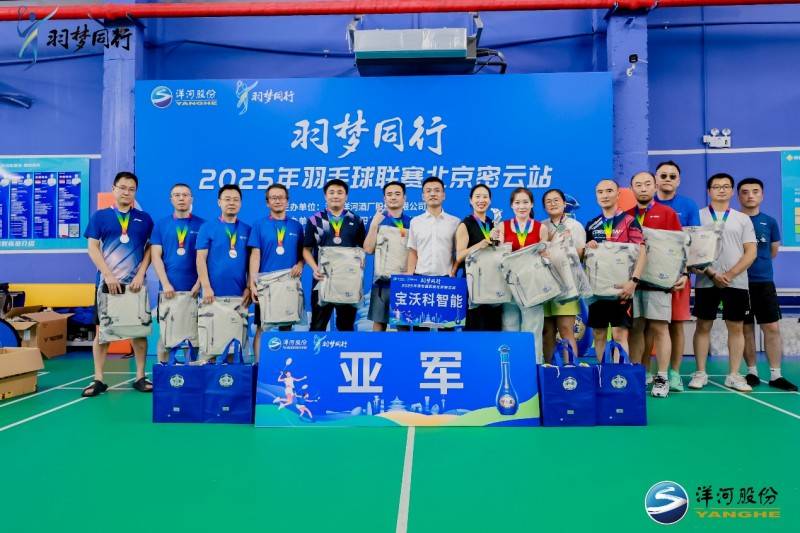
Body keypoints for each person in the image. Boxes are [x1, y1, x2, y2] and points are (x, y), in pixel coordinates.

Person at [82, 171, 154, 397]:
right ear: (114, 189)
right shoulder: (100, 217)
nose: (126, 192)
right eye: (122, 187)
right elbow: (92, 247)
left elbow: (151, 248)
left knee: (139, 332)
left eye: (131, 189)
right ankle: (98, 379)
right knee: (103, 332)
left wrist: (141, 273)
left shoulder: (144, 219)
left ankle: (140, 376)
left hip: (135, 285)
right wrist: (108, 275)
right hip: (107, 285)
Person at [689, 173, 757, 392]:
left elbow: (751, 252)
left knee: (736, 327)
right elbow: (692, 250)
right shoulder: (698, 216)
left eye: (726, 186)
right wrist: (711, 273)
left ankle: (734, 375)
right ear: (709, 191)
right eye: (716, 186)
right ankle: (700, 373)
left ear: (732, 191)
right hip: (705, 281)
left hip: (736, 282)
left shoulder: (742, 219)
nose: (721, 190)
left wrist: (729, 274)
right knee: (703, 325)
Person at [626, 172, 684, 398]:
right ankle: (638, 374)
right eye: (638, 184)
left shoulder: (667, 213)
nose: (643, 188)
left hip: (660, 281)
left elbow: (680, 246)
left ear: (655, 186)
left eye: (647, 184)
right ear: (632, 188)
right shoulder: (626, 216)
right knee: (636, 328)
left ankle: (662, 377)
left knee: (660, 328)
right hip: (633, 283)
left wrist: (683, 273)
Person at [737, 178, 797, 391]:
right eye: (745, 192)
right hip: (739, 283)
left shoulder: (770, 222)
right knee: (745, 328)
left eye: (755, 191)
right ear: (739, 196)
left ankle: (776, 375)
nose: (750, 195)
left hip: (763, 283)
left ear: (762, 195)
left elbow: (773, 251)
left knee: (771, 327)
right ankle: (751, 372)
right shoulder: (733, 221)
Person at [584, 179, 646, 361]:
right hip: (598, 290)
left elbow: (642, 253)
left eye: (609, 191)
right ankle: (603, 373)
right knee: (599, 334)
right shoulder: (592, 224)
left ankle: (620, 374)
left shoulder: (629, 221)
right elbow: (585, 257)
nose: (605, 195)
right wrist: (588, 246)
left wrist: (633, 282)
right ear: (596, 196)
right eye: (600, 192)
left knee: (620, 334)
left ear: (618, 194)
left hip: (622, 289)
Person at [654, 160, 701, 391]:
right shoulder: (646, 205)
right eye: (663, 175)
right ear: (656, 179)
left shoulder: (688, 205)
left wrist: (686, 272)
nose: (667, 179)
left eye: (672, 176)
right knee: (649, 325)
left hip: (678, 277)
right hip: (650, 276)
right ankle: (649, 371)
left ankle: (674, 373)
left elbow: (694, 242)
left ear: (679, 181)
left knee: (676, 325)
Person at [491, 187, 549, 361]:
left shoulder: (541, 228)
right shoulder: (502, 226)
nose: (521, 206)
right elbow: (498, 256)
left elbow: (545, 257)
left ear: (532, 204)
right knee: (509, 328)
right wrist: (494, 240)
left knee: (533, 330)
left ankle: (533, 367)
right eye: (517, 203)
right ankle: (512, 366)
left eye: (525, 202)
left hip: (533, 286)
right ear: (511, 205)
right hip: (509, 285)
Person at [248, 183, 304, 361]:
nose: (277, 201)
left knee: (286, 326)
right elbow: (255, 255)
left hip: (288, 283)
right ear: (267, 202)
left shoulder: (296, 226)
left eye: (281, 197)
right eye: (273, 198)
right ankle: (259, 365)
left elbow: (303, 254)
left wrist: (300, 264)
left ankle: (283, 365)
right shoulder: (259, 225)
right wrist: (253, 283)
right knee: (262, 327)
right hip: (266, 285)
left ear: (287, 201)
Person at [196, 184, 252, 359]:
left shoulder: (247, 230)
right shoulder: (207, 227)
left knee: (234, 349)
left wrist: (249, 287)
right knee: (211, 347)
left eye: (236, 200)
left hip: (238, 297)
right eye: (227, 199)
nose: (231, 203)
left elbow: (251, 263)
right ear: (219, 202)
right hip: (212, 296)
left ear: (241, 203)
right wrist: (206, 287)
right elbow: (200, 259)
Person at [150, 183, 204, 362]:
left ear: (192, 199)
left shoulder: (202, 225)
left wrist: (199, 284)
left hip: (194, 291)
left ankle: (192, 372)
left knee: (194, 337)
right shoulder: (161, 225)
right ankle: (163, 370)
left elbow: (206, 258)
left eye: (185, 195)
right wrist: (165, 283)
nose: (181, 198)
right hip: (168, 291)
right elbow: (156, 256)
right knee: (166, 336)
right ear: (171, 199)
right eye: (177, 195)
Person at [303, 179, 366, 331]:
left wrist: (361, 260)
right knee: (317, 325)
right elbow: (306, 249)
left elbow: (362, 248)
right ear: (325, 196)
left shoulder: (356, 220)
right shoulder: (315, 220)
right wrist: (315, 268)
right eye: (331, 192)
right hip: (322, 279)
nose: (335, 196)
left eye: (340, 192)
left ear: (346, 196)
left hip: (347, 280)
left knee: (346, 326)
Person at [406, 176, 461, 331]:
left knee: (446, 330)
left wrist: (453, 271)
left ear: (443, 195)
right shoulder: (415, 222)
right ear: (423, 196)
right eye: (428, 191)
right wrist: (410, 276)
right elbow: (413, 250)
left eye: (437, 190)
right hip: (421, 280)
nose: (432, 194)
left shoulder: (455, 222)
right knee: (420, 330)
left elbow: (458, 252)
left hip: (446, 281)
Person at [541, 188, 586, 360]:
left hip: (567, 285)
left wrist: (566, 244)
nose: (552, 204)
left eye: (556, 200)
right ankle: (549, 367)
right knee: (547, 330)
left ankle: (570, 368)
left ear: (564, 203)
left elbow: (581, 254)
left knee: (566, 329)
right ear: (544, 207)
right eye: (548, 201)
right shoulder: (542, 226)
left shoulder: (575, 226)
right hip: (546, 285)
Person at [363, 181, 411, 331]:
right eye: (389, 194)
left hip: (404, 281)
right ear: (384, 198)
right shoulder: (377, 220)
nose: (393, 197)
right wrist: (374, 225)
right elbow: (368, 249)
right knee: (379, 322)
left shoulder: (412, 223)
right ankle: (377, 347)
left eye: (397, 194)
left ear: (404, 198)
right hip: (381, 281)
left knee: (403, 324)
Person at [454, 184, 502, 331]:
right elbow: (459, 256)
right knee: (474, 327)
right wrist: (479, 245)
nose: (481, 200)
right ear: (471, 200)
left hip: (492, 282)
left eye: (485, 197)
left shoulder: (493, 224)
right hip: (473, 284)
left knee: (493, 327)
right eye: (477, 197)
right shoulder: (465, 224)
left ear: (490, 200)